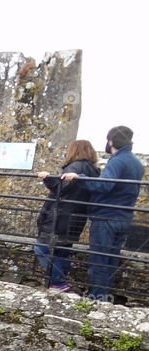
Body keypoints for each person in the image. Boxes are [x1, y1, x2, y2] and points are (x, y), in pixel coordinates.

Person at [62, 126, 144, 302]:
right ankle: (105, 297)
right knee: (111, 260)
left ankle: (98, 299)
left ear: (111, 141)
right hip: (124, 217)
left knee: (98, 260)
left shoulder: (116, 161)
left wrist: (80, 178)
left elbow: (104, 185)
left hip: (106, 217)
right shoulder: (136, 163)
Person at [33, 140, 99, 292]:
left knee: (41, 248)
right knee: (62, 251)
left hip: (60, 217)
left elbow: (61, 188)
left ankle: (58, 282)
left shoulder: (74, 167)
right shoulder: (93, 170)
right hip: (77, 218)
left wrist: (47, 178)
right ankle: (61, 283)